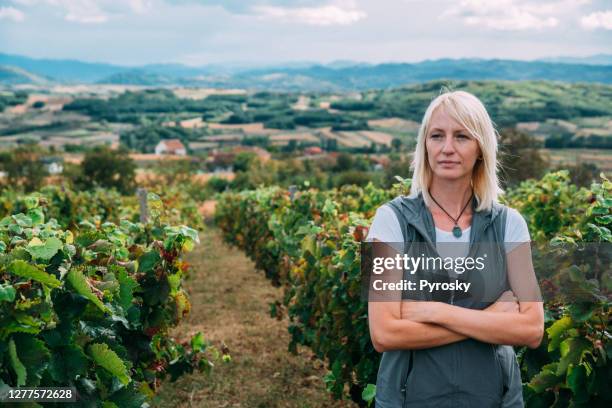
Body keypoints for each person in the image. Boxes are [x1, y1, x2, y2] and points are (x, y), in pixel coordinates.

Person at [366, 90, 544, 407]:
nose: (447, 148)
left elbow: (531, 329)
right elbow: (383, 333)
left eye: (461, 136)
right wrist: (490, 320)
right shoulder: (389, 222)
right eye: (437, 136)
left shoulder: (510, 225)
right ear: (425, 145)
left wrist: (433, 311)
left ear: (480, 149)